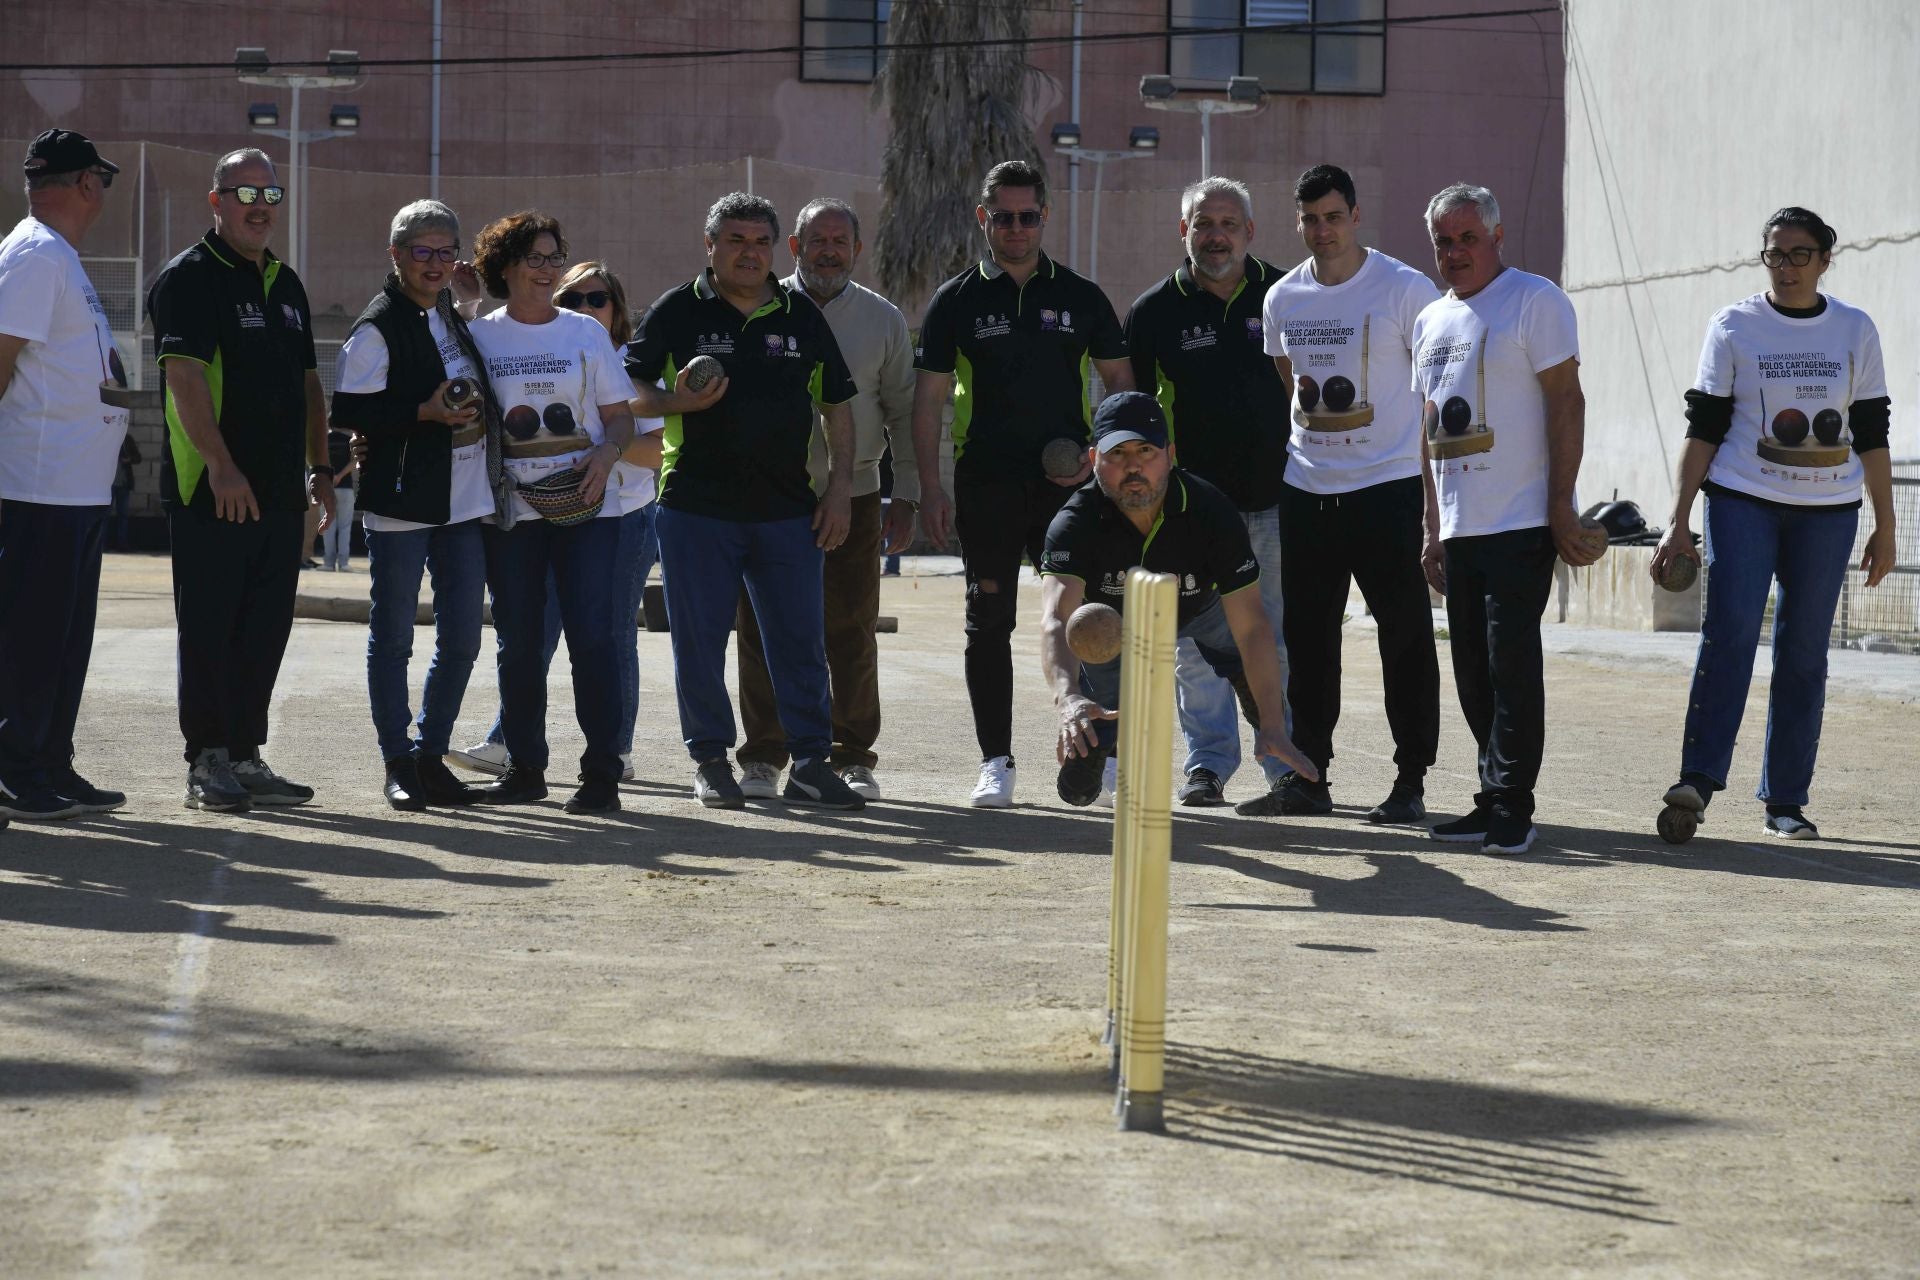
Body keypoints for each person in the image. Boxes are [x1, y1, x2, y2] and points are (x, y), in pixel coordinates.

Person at [1650, 207, 1896, 841]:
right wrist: (1678, 521)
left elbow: (1871, 433)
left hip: (1830, 510)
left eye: (1800, 255)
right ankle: (1697, 781)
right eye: (1775, 255)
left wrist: (1886, 525)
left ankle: (1785, 800)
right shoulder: (1734, 325)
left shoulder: (1854, 328)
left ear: (1825, 259)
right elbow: (1703, 426)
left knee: (1804, 654)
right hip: (1742, 497)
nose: (1786, 268)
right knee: (1730, 634)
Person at [627, 191, 865, 812]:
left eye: (760, 242)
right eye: (735, 240)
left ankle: (812, 761)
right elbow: (625, 388)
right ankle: (709, 760)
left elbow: (837, 405)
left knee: (798, 641)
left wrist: (839, 489)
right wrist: (677, 403)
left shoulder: (799, 313)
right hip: (694, 508)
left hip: (788, 510)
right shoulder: (678, 309)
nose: (749, 253)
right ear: (710, 246)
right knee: (699, 642)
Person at [912, 160, 1133, 808]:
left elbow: (1122, 384)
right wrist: (932, 487)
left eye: (1027, 216)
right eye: (1002, 216)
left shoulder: (1081, 296)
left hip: (1069, 489)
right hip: (986, 486)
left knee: (1090, 623)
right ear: (984, 219)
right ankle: (996, 763)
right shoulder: (956, 301)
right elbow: (928, 403)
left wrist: (1100, 458)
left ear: (1044, 217)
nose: (1015, 227)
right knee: (988, 624)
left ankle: (1108, 756)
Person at [1409, 182, 1601, 854]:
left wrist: (1560, 501)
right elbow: (1427, 430)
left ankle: (1514, 806)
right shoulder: (1432, 320)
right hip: (1460, 527)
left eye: (1467, 238)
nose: (1455, 252)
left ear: (1495, 237)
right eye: (1444, 241)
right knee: (1471, 669)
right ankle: (1490, 797)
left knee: (1510, 663)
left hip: (1521, 519)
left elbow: (1567, 403)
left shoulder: (1535, 300)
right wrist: (1432, 525)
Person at [147, 147, 333, 812]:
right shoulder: (190, 278)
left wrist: (320, 473)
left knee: (264, 629)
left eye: (270, 195)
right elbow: (184, 378)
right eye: (245, 192)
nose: (260, 206)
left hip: (283, 492)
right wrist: (221, 467)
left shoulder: (286, 284)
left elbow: (311, 384)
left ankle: (247, 756)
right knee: (210, 627)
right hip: (214, 491)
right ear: (216, 201)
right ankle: (208, 761)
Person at [1255, 163, 1443, 823]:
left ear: (1355, 216)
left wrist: (1431, 506)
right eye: (1310, 219)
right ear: (1298, 221)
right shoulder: (1283, 298)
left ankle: (1410, 780)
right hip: (1307, 490)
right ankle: (1308, 777)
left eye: (1333, 217)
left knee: (1405, 638)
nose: (1321, 230)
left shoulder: (1405, 289)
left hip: (1387, 490)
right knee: (1307, 643)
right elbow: (1292, 385)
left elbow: (1431, 398)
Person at [1037, 392, 1314, 805]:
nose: (1133, 466)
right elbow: (1058, 618)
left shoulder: (1210, 510)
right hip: (1112, 628)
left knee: (1248, 655)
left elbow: (1253, 626)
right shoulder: (1074, 522)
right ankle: (1101, 737)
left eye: (1145, 450)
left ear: (1169, 453)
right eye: (1118, 453)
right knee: (1102, 717)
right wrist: (1068, 696)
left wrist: (1272, 722)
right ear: (1094, 458)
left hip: (1199, 607)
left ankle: (1280, 757)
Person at [449, 260, 664, 784]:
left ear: (616, 309)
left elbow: (651, 447)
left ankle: (612, 755)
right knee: (526, 638)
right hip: (524, 513)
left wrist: (602, 452)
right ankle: (515, 753)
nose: (587, 307)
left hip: (615, 513)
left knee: (605, 637)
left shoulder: (616, 357)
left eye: (598, 299)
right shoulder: (524, 337)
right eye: (577, 299)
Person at [733, 197, 917, 802]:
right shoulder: (760, 305)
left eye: (841, 241)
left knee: (849, 628)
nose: (829, 251)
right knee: (760, 629)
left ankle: (852, 753)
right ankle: (764, 754)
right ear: (795, 247)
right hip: (767, 498)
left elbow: (902, 413)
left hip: (857, 497)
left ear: (858, 250)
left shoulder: (882, 319)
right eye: (817, 241)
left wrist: (906, 494)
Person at [329, 198, 502, 812]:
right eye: (421, 251)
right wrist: (423, 413)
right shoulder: (377, 326)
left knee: (461, 638)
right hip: (402, 504)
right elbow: (347, 411)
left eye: (444, 251)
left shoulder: (451, 316)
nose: (433, 263)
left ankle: (432, 755)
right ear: (396, 255)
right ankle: (397, 760)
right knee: (395, 637)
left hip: (463, 503)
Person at [1123, 175, 1290, 810]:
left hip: (1276, 500)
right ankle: (1208, 765)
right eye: (1202, 224)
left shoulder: (1287, 294)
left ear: (1249, 231)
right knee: (1193, 643)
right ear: (1183, 231)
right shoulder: (1154, 311)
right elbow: (1131, 413)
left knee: (1269, 638)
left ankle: (1283, 765)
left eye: (1227, 224)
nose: (1215, 235)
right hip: (1188, 511)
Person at [0, 128, 130, 821]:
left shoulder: (60, 258)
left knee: (63, 641)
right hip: (37, 485)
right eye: (101, 181)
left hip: (76, 486)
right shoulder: (33, 255)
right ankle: (17, 769)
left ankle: (50, 760)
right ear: (86, 184)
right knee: (30, 638)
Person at [320, 425, 357, 569]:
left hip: (327, 487)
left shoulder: (324, 440)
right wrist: (340, 476)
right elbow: (355, 461)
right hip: (345, 487)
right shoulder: (349, 440)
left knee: (328, 525)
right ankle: (343, 563)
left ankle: (328, 562)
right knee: (345, 527)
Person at [111, 434, 141, 551]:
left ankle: (122, 544)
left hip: (123, 484)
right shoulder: (107, 437)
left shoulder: (127, 439)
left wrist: (129, 459)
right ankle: (101, 544)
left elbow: (138, 458)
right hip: (109, 485)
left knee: (123, 515)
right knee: (104, 515)